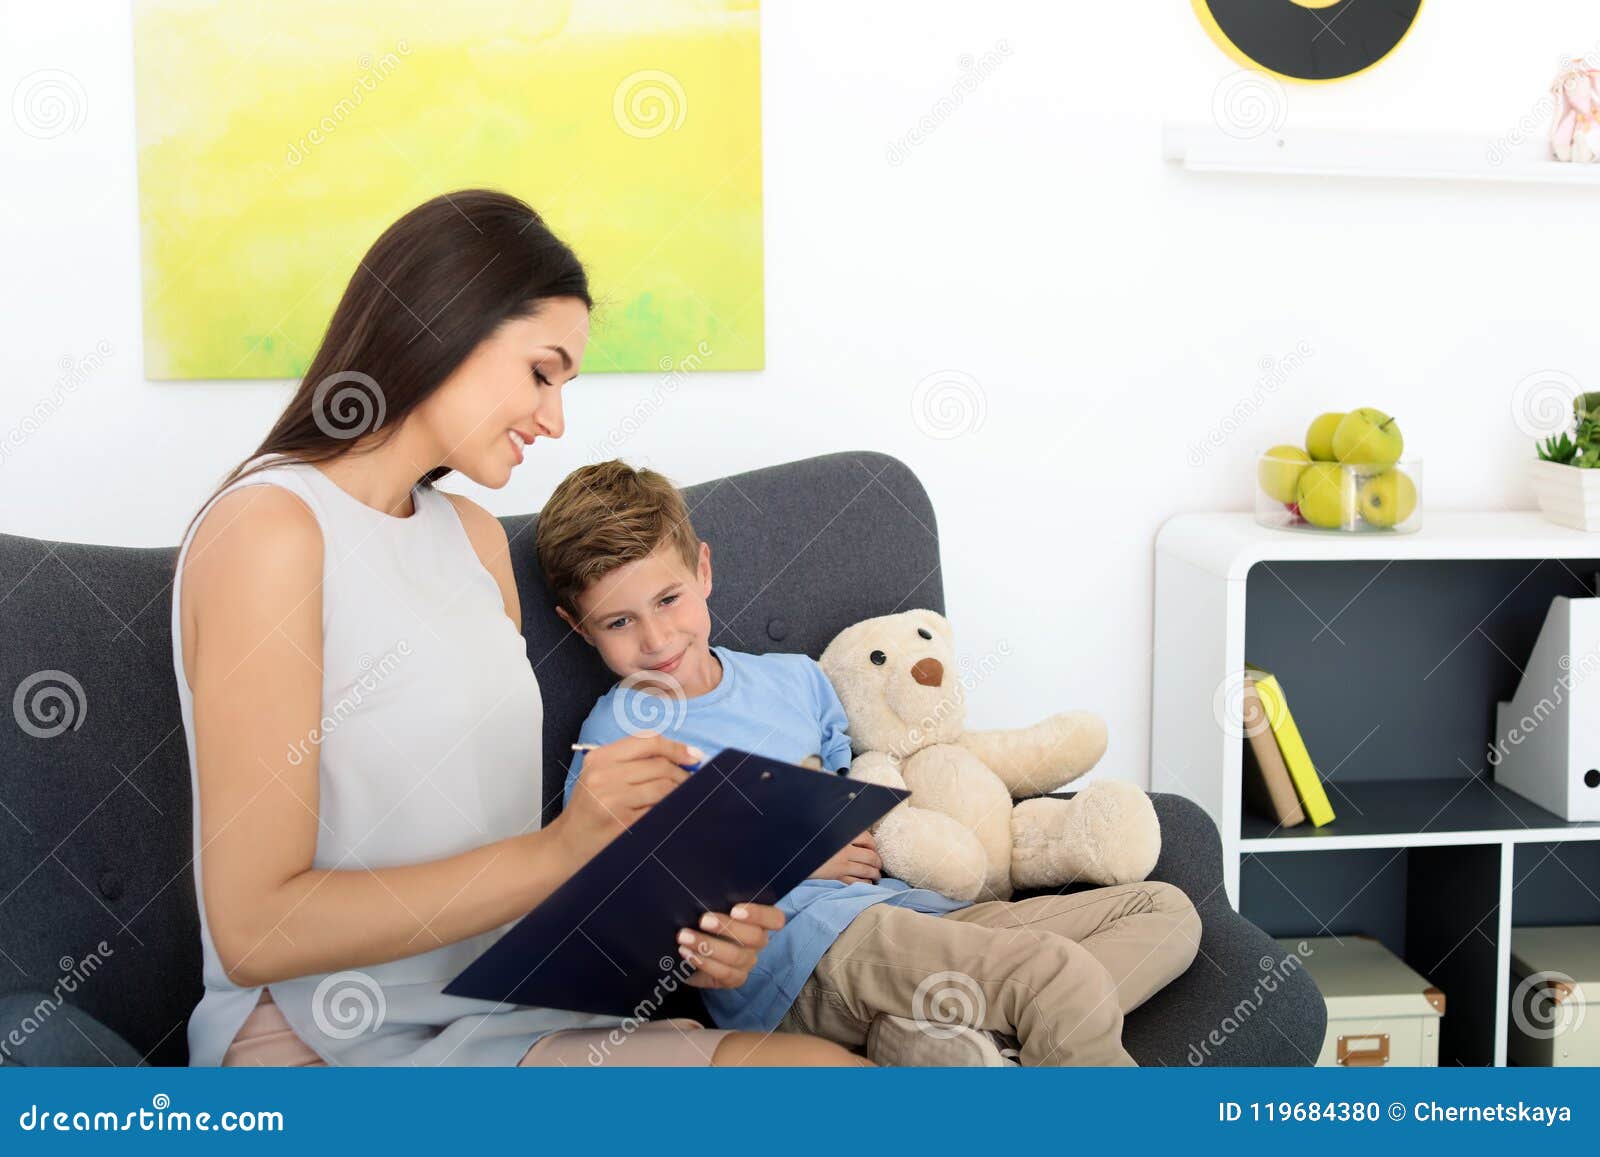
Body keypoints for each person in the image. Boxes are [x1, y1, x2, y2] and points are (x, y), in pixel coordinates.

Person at [172, 189, 864, 1067]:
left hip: (503, 1008)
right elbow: (255, 928)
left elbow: (503, 866)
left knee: (827, 1077)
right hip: (324, 1039)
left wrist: (695, 915)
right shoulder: (268, 531)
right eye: (542, 372)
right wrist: (562, 849)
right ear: (443, 325)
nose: (555, 419)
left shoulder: (473, 538)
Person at [538, 460, 1205, 1066]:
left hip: (913, 911)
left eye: (667, 600)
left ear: (703, 571)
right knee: (1059, 976)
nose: (656, 639)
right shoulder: (615, 736)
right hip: (805, 953)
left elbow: (859, 793)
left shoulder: (796, 680)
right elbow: (622, 902)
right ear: (578, 625)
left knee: (1167, 912)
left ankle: (952, 1036)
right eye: (618, 622)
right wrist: (791, 854)